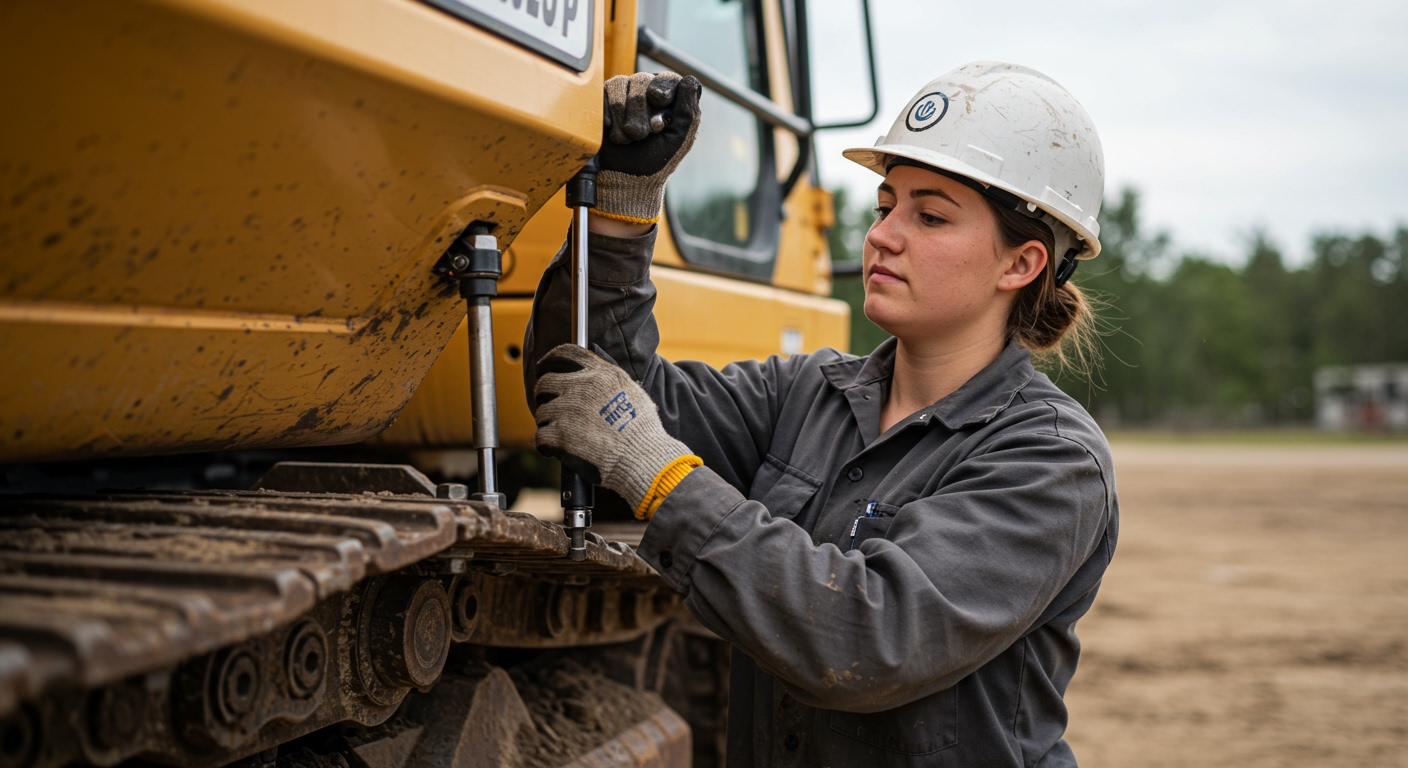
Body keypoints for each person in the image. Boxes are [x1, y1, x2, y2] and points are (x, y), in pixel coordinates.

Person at [525, 63, 1118, 767]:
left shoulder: (1049, 460)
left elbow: (868, 642)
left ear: (1021, 264)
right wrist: (622, 210)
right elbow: (594, 395)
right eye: (885, 205)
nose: (883, 236)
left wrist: (662, 476)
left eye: (929, 216)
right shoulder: (806, 392)